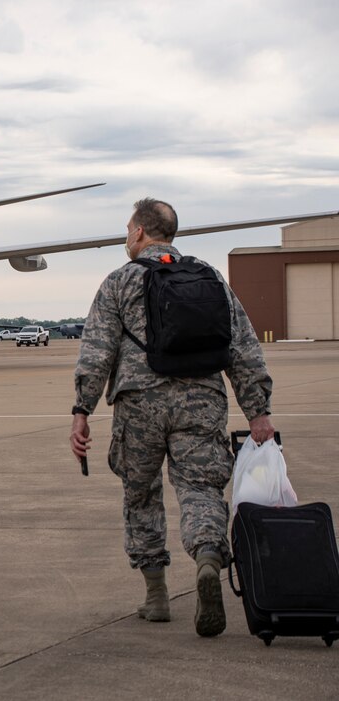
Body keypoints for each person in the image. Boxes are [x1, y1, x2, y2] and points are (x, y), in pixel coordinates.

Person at [68, 198, 275, 638]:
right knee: (200, 490)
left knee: (141, 496)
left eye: (128, 229)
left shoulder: (119, 282)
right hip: (201, 400)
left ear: (140, 232)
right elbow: (243, 348)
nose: (127, 236)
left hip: (139, 404)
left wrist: (82, 409)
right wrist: (258, 412)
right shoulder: (209, 277)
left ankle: (156, 595)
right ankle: (205, 560)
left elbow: (97, 351)